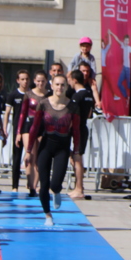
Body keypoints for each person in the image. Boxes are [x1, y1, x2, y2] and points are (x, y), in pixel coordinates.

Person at [25, 75, 80, 227]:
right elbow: (34, 127)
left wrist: (76, 152)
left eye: (62, 85)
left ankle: (56, 191)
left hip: (62, 147)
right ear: (52, 85)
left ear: (66, 87)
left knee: (55, 184)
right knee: (44, 183)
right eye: (57, 84)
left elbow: (76, 131)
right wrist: (28, 150)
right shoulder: (43, 103)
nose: (59, 88)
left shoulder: (73, 106)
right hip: (46, 145)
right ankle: (48, 215)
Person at [16, 70, 48, 196]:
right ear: (34, 81)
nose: (40, 83)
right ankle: (31, 186)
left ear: (46, 81)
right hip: (28, 125)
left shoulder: (49, 95)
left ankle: (35, 184)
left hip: (43, 126)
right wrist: (19, 132)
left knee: (40, 157)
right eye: (38, 81)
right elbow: (22, 114)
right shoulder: (28, 94)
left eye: (43, 81)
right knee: (30, 155)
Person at [66, 69, 94, 200]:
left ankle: (79, 189)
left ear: (74, 80)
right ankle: (78, 187)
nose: (68, 83)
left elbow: (70, 115)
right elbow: (89, 113)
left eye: (69, 80)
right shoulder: (89, 94)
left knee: (77, 159)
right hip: (83, 127)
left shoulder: (77, 96)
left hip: (77, 129)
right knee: (76, 157)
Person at [2, 69, 30, 192]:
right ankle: (15, 186)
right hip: (18, 129)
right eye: (22, 79)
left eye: (27, 79)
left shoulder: (32, 94)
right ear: (18, 80)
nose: (25, 81)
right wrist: (5, 128)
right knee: (17, 157)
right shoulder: (13, 95)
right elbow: (7, 113)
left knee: (30, 156)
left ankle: (30, 183)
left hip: (30, 128)